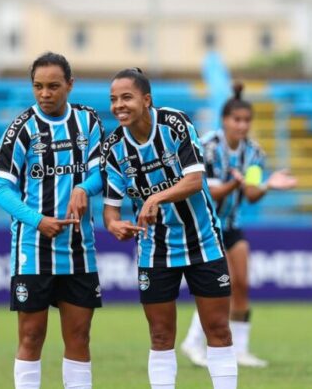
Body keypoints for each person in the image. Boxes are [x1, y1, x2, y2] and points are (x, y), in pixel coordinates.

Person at [101, 68, 238, 389]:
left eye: (126, 97)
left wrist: (154, 198)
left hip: (203, 240)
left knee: (217, 328)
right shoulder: (113, 148)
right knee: (161, 335)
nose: (119, 105)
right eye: (113, 99)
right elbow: (111, 210)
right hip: (154, 249)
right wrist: (114, 225)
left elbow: (194, 180)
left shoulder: (174, 124)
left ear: (146, 100)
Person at [0, 52, 105, 389]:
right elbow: (0, 188)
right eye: (38, 86)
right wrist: (38, 220)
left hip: (79, 250)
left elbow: (101, 172)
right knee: (31, 334)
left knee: (79, 336)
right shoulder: (22, 129)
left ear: (70, 85)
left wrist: (84, 186)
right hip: (33, 249)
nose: (45, 94)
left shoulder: (88, 121)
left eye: (53, 86)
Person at [180, 81, 298, 368]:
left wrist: (268, 184)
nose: (242, 125)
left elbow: (252, 193)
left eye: (247, 120)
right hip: (205, 226)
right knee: (219, 286)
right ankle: (193, 342)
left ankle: (241, 349)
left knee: (241, 284)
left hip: (231, 225)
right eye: (237, 120)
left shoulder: (254, 154)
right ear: (224, 121)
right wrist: (236, 181)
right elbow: (205, 189)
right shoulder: (206, 148)